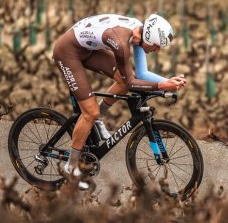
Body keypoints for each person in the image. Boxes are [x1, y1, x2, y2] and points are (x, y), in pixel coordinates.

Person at [52, 13, 187, 189]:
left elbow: (142, 74)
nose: (157, 50)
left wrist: (168, 82)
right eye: (156, 46)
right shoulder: (121, 42)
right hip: (68, 51)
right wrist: (163, 86)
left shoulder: (139, 32)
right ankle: (70, 168)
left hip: (88, 49)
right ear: (148, 38)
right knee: (90, 112)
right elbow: (132, 82)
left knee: (122, 82)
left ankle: (98, 118)